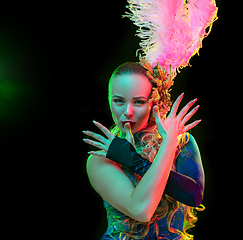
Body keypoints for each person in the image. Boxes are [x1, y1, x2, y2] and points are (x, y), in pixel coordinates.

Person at [83, 61, 205, 239]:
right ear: (109, 100)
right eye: (118, 101)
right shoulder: (100, 157)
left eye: (139, 102)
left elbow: (193, 196)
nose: (128, 111)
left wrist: (134, 159)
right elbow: (141, 210)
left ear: (154, 103)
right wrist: (162, 148)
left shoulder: (180, 141)